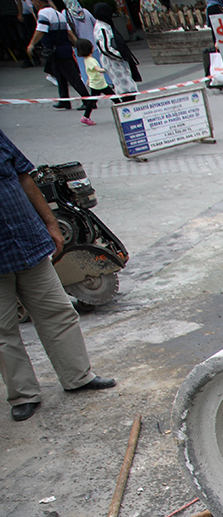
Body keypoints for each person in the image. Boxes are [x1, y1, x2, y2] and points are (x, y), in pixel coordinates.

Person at [0, 129, 116, 422]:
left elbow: (25, 177)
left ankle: (78, 377)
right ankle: (24, 395)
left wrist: (50, 223)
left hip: (28, 241)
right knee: (3, 332)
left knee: (58, 312)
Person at [26, 0, 85, 111]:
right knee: (59, 75)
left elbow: (40, 30)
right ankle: (64, 100)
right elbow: (69, 32)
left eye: (33, 2)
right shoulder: (58, 13)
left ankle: (88, 100)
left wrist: (32, 44)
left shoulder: (43, 13)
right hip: (63, 49)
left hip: (56, 50)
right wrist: (77, 44)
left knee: (72, 77)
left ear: (38, 2)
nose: (33, 4)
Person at [92, 3, 140, 100]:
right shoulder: (102, 28)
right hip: (114, 63)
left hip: (117, 62)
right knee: (126, 89)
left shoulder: (106, 25)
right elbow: (105, 48)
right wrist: (121, 56)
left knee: (128, 86)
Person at [75, 36, 104, 123]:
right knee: (114, 97)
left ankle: (86, 116)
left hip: (95, 82)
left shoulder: (86, 59)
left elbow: (89, 71)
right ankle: (122, 113)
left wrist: (88, 79)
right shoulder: (91, 60)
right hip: (99, 83)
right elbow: (97, 69)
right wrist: (107, 69)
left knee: (92, 100)